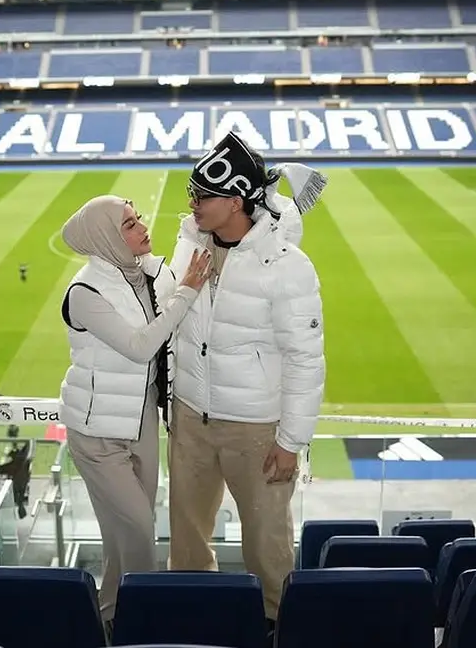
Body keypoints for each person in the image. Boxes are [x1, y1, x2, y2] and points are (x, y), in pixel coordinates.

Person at [166, 131, 327, 624]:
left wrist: (290, 441)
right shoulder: (190, 245)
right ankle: (192, 622)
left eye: (202, 196)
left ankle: (277, 626)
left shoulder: (288, 268)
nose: (192, 203)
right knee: (187, 540)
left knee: (267, 544)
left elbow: (305, 358)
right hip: (191, 418)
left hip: (257, 431)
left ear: (235, 202)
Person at [57, 194, 213, 629]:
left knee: (120, 541)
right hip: (97, 433)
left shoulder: (148, 273)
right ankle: (145, 625)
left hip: (142, 419)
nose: (142, 227)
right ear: (106, 237)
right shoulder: (84, 293)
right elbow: (141, 347)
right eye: (128, 224)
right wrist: (186, 293)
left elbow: (184, 286)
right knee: (140, 534)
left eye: (137, 219)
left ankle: (110, 618)